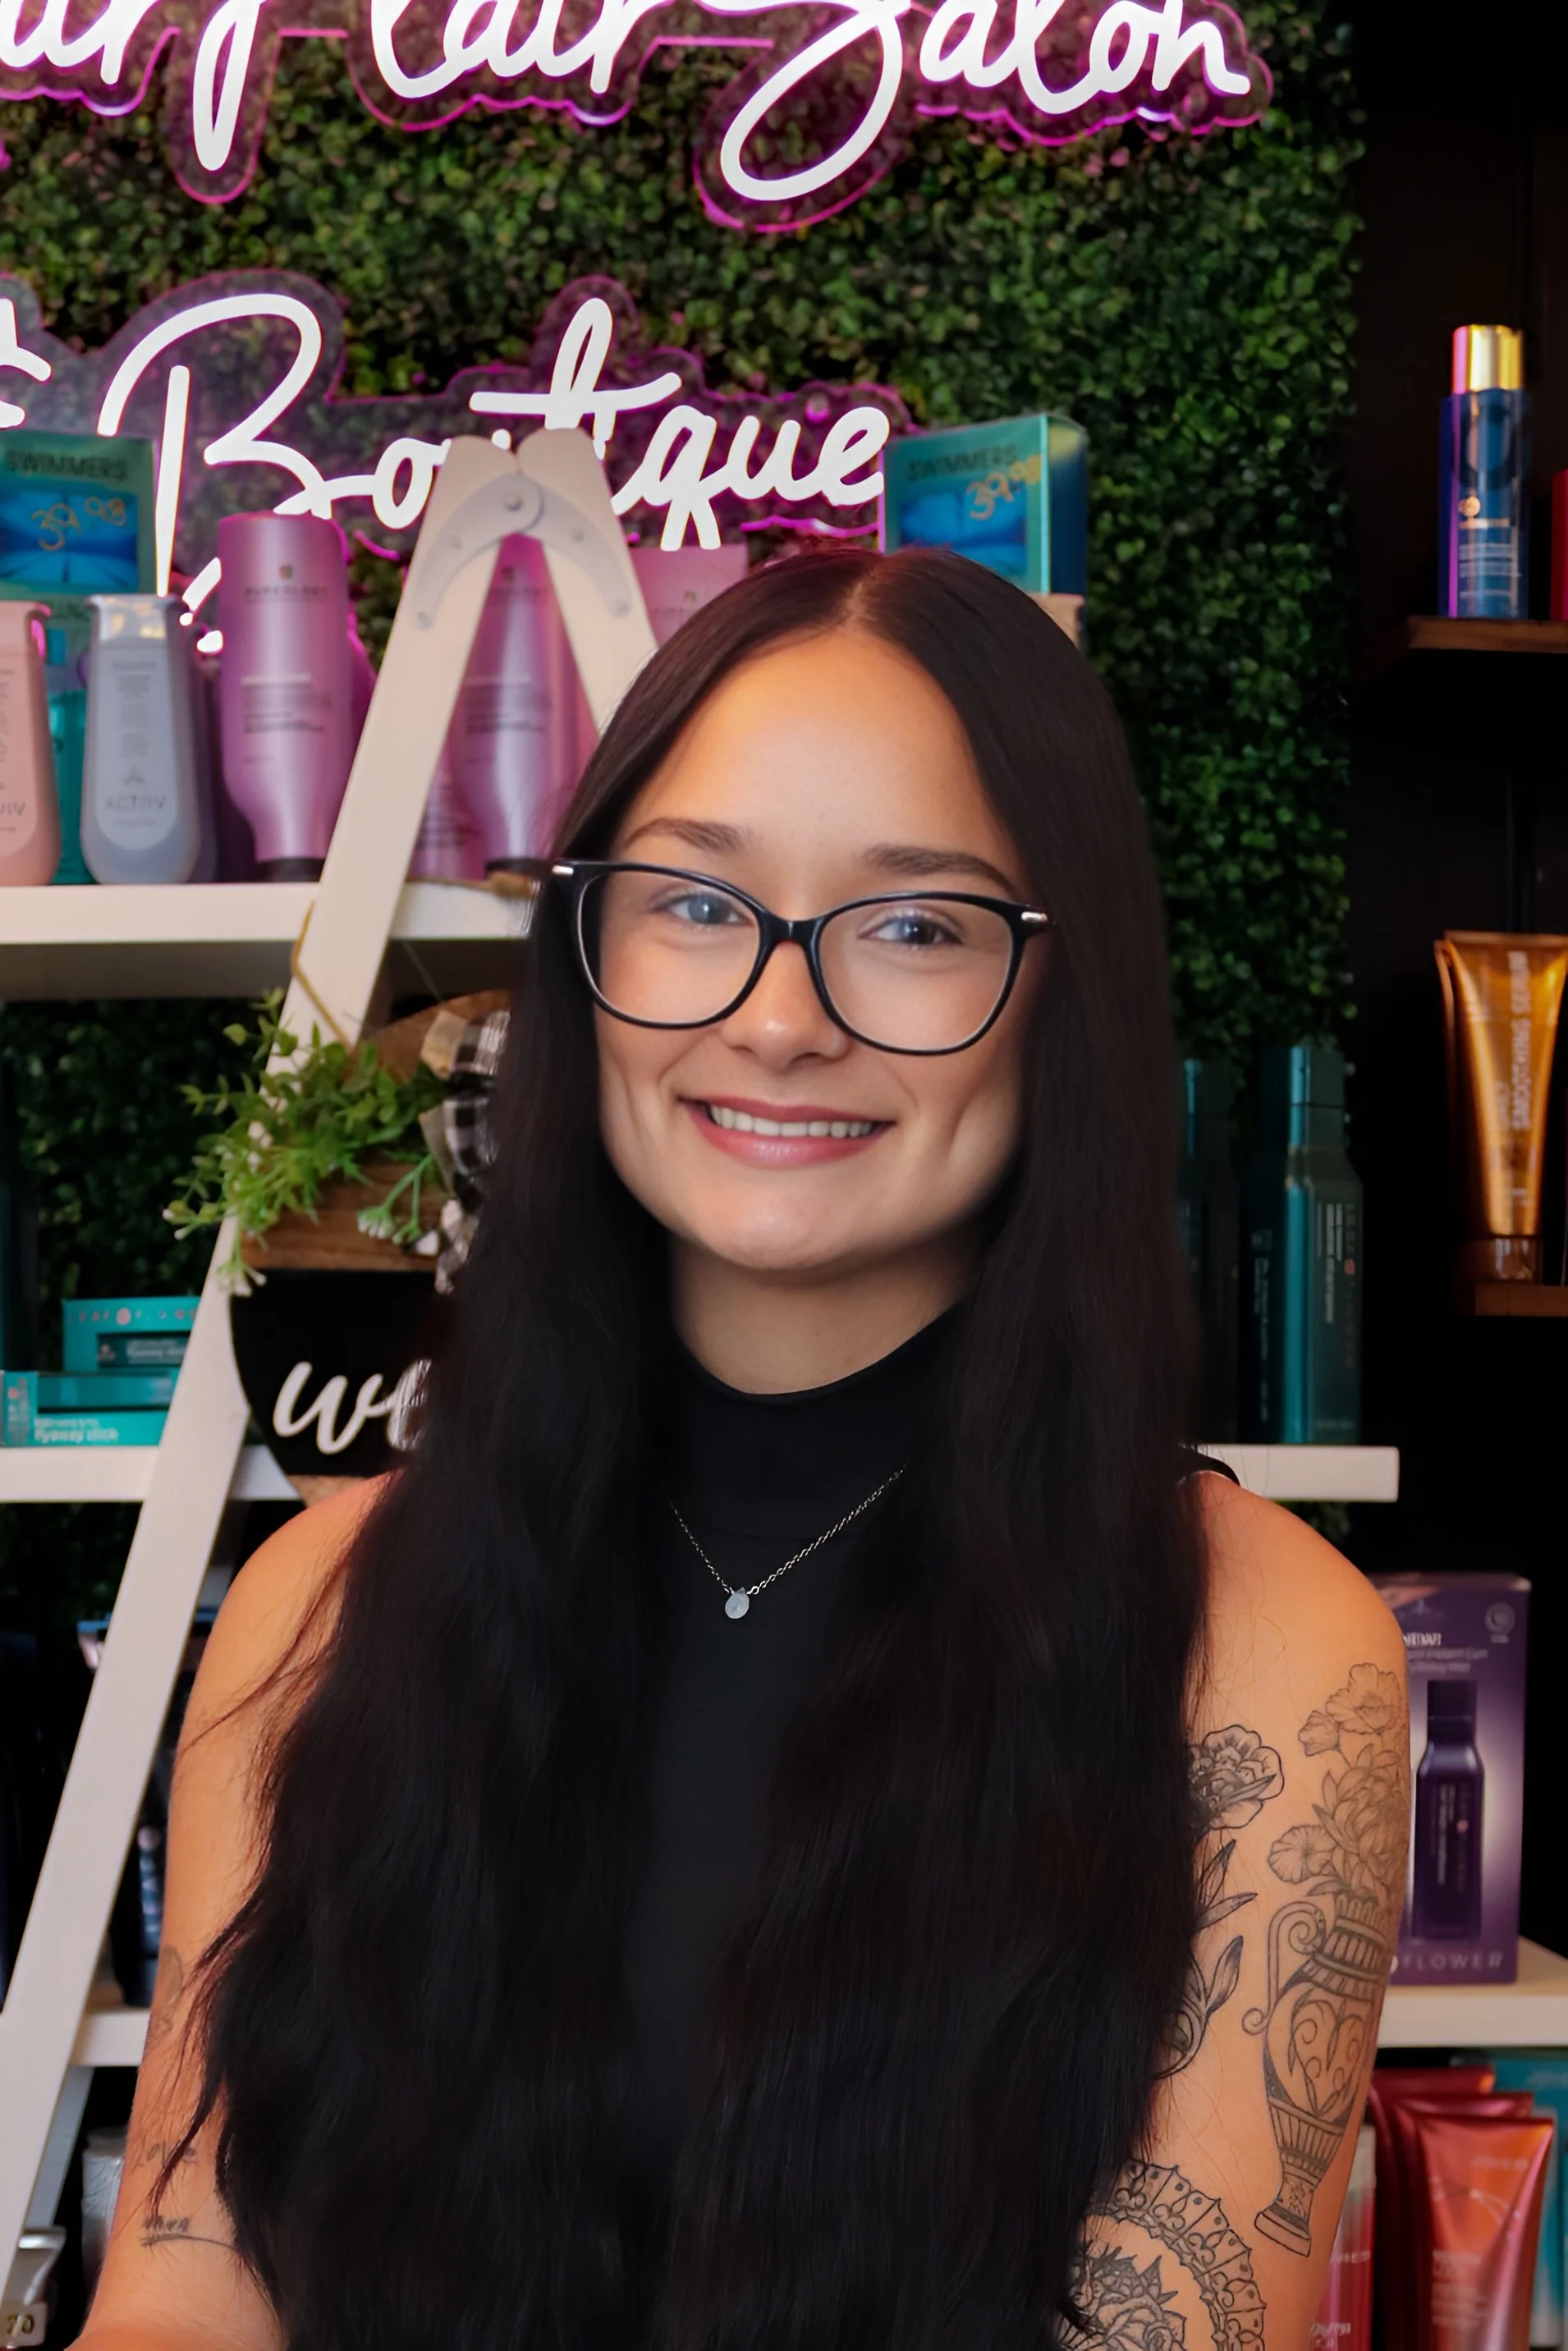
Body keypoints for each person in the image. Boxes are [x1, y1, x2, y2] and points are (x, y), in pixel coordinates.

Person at [80, 546, 1406, 2351]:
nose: (778, 1018)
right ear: (586, 946)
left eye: (917, 926)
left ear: (1057, 999)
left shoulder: (1263, 1646)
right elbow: (187, 2288)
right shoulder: (318, 1604)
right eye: (694, 905)